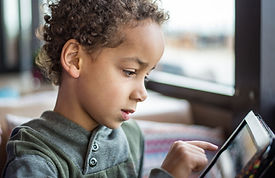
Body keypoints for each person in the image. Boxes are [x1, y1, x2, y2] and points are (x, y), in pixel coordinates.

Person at [3, 0, 218, 177]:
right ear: (75, 60)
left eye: (147, 75)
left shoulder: (131, 136)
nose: (142, 94)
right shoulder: (35, 158)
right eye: (130, 72)